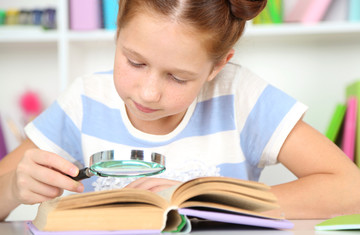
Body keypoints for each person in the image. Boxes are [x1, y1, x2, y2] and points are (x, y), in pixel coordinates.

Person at [1, 0, 360, 222]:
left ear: (217, 67)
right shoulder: (84, 101)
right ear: (118, 31)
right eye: (134, 61)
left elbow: (350, 189)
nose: (148, 92)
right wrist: (15, 189)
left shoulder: (240, 97)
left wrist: (209, 202)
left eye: (178, 77)